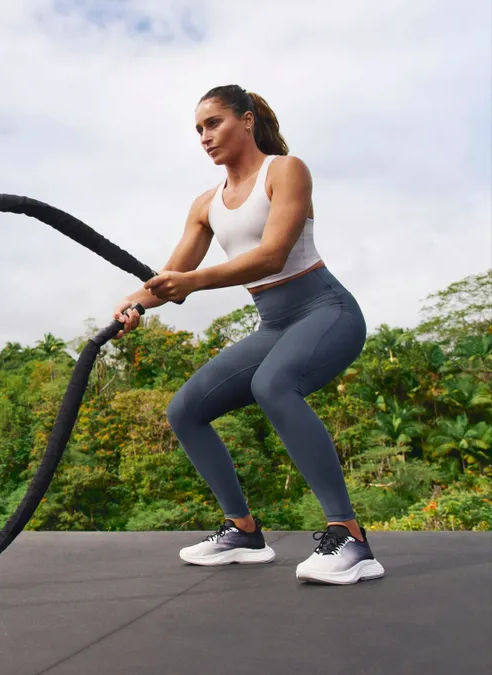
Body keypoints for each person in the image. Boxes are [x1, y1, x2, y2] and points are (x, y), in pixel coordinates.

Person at [111, 84, 384, 585]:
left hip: (327, 310)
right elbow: (172, 276)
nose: (204, 137)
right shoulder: (205, 204)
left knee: (273, 385)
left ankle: (350, 537)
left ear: (247, 119)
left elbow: (272, 255)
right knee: (185, 410)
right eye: (197, 130)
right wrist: (135, 304)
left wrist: (188, 284)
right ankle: (243, 531)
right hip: (274, 324)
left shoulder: (286, 170)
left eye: (213, 123)